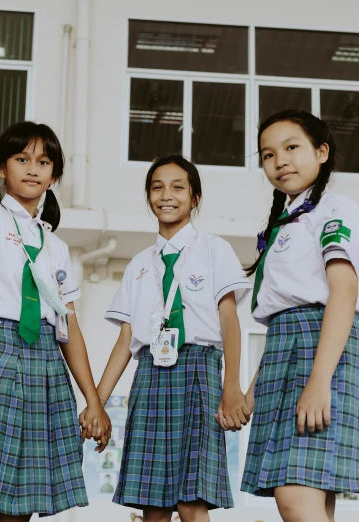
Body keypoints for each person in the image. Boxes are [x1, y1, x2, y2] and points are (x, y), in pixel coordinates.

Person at [0, 121, 111, 521]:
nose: (32, 168)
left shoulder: (57, 246)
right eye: (21, 159)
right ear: (2, 168)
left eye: (43, 161)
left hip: (47, 365)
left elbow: (69, 327)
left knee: (24, 507)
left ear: (54, 175)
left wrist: (93, 400)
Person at [240, 110, 359, 522]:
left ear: (321, 152)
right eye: (268, 155)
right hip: (286, 354)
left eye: (292, 148)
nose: (280, 161)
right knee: (309, 500)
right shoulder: (285, 221)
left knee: (294, 498)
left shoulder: (336, 207)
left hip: (322, 354)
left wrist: (319, 381)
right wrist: (252, 394)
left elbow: (342, 291)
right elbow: (282, 320)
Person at [84, 155, 251, 521]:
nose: (167, 195)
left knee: (193, 501)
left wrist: (232, 385)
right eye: (157, 187)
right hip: (151, 376)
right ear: (148, 198)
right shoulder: (140, 263)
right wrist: (96, 402)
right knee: (153, 505)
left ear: (195, 198)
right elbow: (126, 341)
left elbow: (229, 320)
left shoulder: (214, 249)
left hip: (199, 372)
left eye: (178, 187)